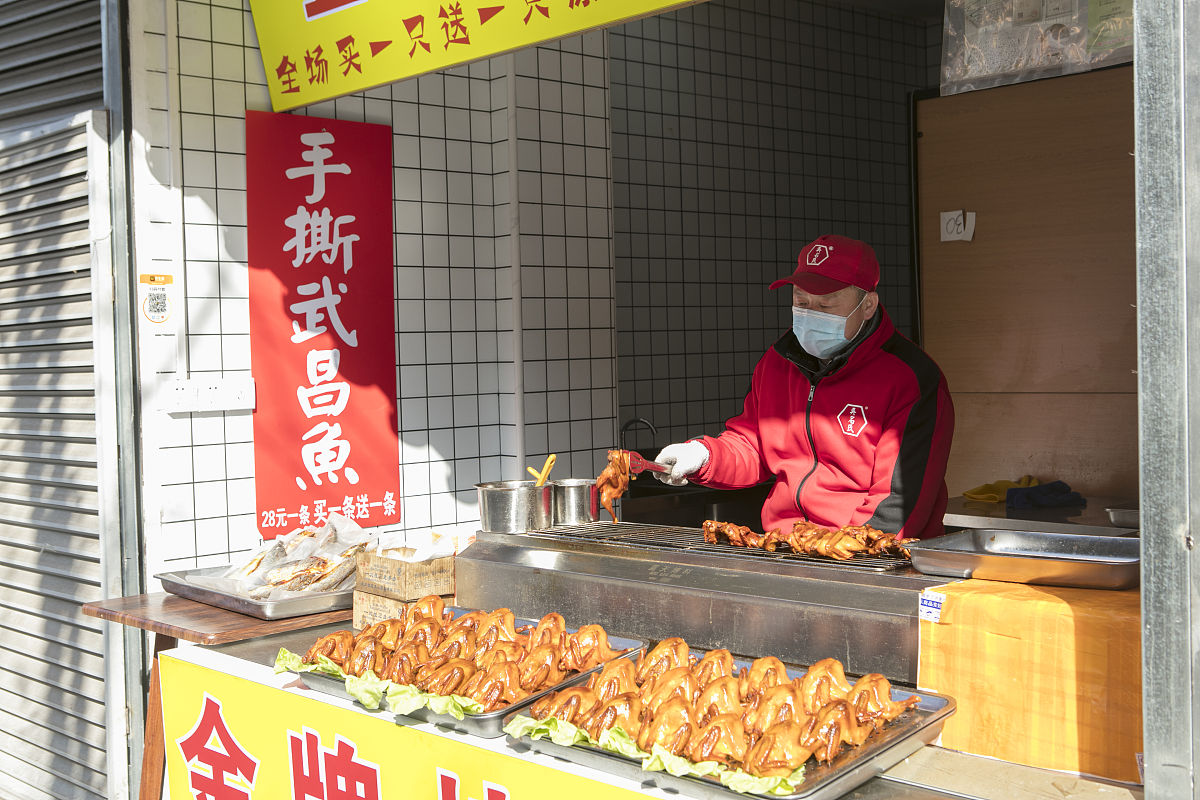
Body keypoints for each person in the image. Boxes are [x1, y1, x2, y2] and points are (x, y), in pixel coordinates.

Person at [653, 234, 954, 540]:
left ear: (868, 306)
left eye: (826, 304)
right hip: (787, 546)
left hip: (870, 555)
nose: (811, 314)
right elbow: (752, 445)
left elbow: (898, 503)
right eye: (802, 301)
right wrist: (704, 456)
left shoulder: (911, 379)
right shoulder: (775, 364)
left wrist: (849, 557)